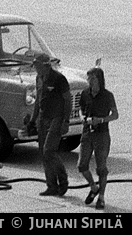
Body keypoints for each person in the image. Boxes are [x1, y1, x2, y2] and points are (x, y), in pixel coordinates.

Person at [29, 52, 72, 196]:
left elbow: (68, 100)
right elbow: (38, 100)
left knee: (49, 151)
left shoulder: (59, 79)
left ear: (45, 66)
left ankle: (63, 180)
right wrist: (32, 120)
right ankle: (52, 186)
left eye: (37, 66)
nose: (35, 68)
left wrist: (66, 121)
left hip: (57, 118)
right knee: (43, 153)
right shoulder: (39, 78)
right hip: (43, 118)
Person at [79, 66, 119, 209]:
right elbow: (80, 109)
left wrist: (101, 120)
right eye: (88, 78)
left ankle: (101, 197)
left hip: (102, 135)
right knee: (82, 165)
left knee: (101, 168)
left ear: (99, 80)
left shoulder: (108, 96)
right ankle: (93, 187)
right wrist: (83, 117)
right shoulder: (85, 94)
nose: (90, 81)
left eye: (93, 78)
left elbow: (115, 115)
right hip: (87, 133)